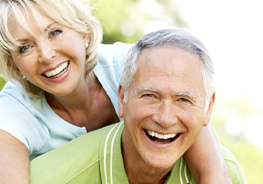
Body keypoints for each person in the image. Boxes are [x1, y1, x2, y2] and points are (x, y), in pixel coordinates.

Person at [0, 0, 230, 183]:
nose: (46, 54)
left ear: (83, 31)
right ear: (13, 65)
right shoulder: (9, 119)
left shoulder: (136, 66)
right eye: (25, 47)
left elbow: (213, 173)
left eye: (54, 32)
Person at [29, 29, 247, 184]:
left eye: (183, 100)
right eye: (150, 96)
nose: (165, 118)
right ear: (122, 98)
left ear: (208, 108)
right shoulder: (50, 178)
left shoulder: (227, 173)